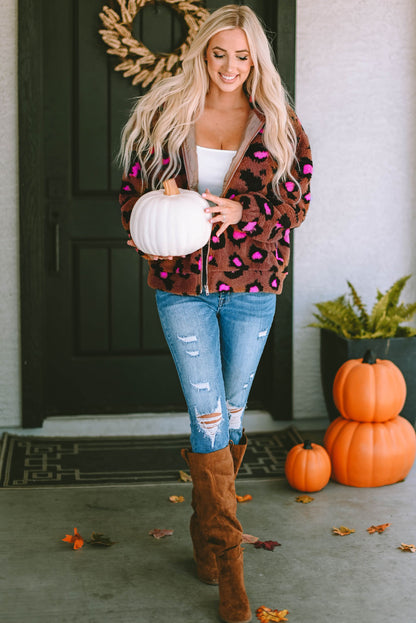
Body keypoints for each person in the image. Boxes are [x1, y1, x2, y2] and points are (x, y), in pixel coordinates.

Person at [119, 5, 312, 623]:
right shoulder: (164, 115)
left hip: (254, 285)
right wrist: (136, 227)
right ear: (202, 53)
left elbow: (296, 204)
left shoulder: (277, 123)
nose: (230, 67)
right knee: (207, 418)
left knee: (229, 416)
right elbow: (135, 189)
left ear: (256, 59)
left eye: (242, 55)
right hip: (181, 286)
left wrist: (241, 211)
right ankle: (231, 568)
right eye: (218, 53)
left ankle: (205, 538)